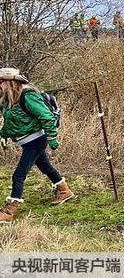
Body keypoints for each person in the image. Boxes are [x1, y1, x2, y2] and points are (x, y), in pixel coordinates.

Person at [0, 68, 75, 224]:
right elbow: (12, 121)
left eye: (1, 82)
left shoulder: (28, 96)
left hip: (35, 141)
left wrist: (52, 137)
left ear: (10, 82)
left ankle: (10, 211)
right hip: (27, 141)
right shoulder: (9, 98)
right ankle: (64, 191)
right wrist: (3, 134)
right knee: (45, 167)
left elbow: (46, 116)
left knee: (18, 175)